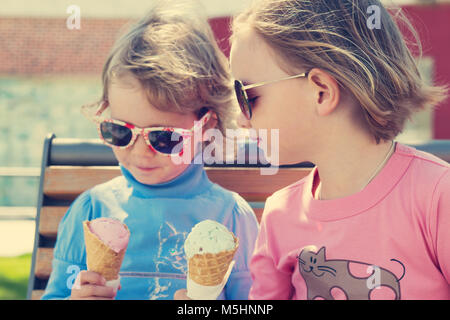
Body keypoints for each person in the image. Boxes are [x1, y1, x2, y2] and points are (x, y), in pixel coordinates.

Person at [229, 0, 449, 299]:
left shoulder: (437, 196)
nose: (240, 118)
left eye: (247, 95)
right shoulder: (279, 215)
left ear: (321, 91)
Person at [41, 1, 258, 300]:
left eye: (164, 138)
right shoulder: (91, 212)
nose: (141, 152)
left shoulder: (231, 218)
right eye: (121, 131)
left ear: (207, 126)